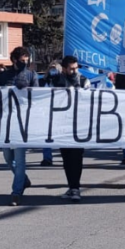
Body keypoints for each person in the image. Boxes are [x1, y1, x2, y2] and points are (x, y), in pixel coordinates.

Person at [0, 46, 38, 206]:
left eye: (26, 60)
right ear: (14, 60)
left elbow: (37, 96)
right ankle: (23, 179)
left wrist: (26, 92)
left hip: (22, 122)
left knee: (20, 159)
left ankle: (16, 192)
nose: (24, 63)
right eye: (22, 61)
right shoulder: (4, 76)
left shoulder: (31, 75)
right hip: (6, 122)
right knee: (8, 157)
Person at [51, 56, 91, 202]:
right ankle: (72, 186)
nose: (74, 71)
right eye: (71, 69)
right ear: (64, 69)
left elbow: (90, 100)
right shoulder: (56, 81)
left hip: (79, 125)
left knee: (76, 157)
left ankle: (75, 187)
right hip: (62, 125)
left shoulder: (84, 81)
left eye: (76, 68)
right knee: (66, 158)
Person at [40, 62, 62, 167]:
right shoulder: (43, 81)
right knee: (46, 136)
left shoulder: (62, 80)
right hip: (46, 112)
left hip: (60, 112)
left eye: (55, 68)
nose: (52, 70)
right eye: (51, 68)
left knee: (61, 135)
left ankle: (66, 157)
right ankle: (47, 158)